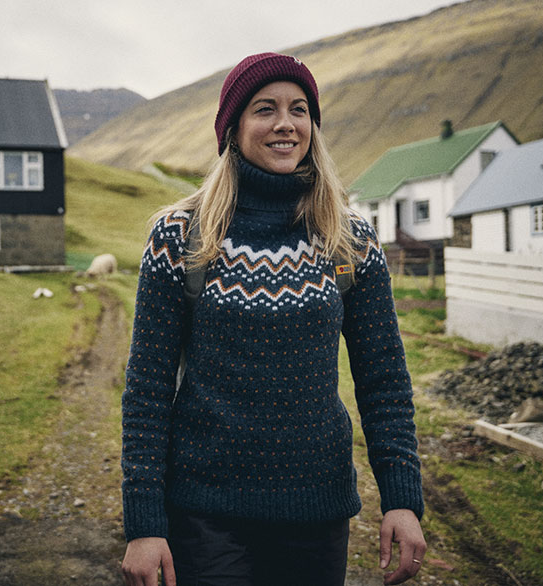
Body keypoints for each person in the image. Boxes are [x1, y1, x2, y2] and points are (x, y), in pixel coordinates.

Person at [120, 52, 426, 586]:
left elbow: (384, 381)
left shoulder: (349, 239)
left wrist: (402, 498)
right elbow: (146, 387)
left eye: (299, 109)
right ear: (233, 128)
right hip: (205, 517)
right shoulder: (180, 235)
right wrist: (143, 524)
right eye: (265, 109)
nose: (285, 123)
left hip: (317, 514)